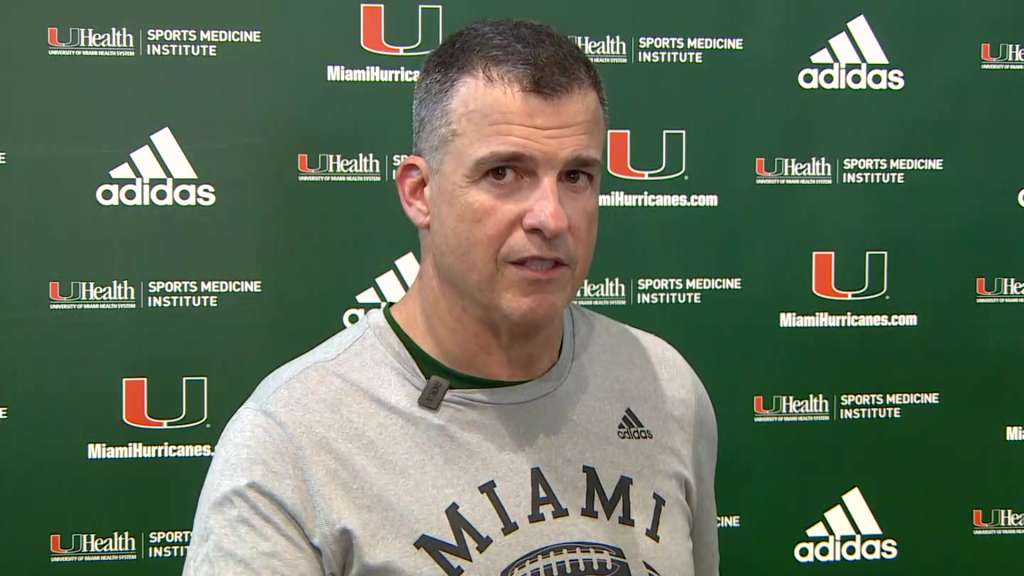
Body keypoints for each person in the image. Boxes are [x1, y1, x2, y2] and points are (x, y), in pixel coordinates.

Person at [184, 19, 718, 576]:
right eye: (504, 172)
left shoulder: (664, 388)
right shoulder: (290, 442)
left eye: (576, 177)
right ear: (420, 192)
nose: (552, 217)